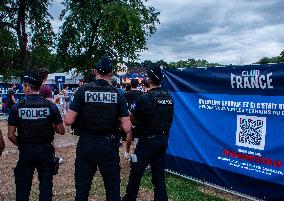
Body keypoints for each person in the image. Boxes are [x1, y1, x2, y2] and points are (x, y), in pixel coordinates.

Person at [64, 56, 132, 201]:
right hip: (108, 146)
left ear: (95, 71)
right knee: (112, 190)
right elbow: (127, 128)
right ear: (111, 72)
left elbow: (68, 121)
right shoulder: (117, 94)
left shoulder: (82, 91)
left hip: (86, 144)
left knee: (82, 190)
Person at [7, 71, 65, 201]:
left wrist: (21, 144)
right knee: (45, 188)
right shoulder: (50, 106)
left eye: (23, 85)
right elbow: (61, 130)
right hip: (45, 151)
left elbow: (10, 135)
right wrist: (50, 125)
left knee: (22, 189)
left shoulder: (17, 107)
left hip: (26, 151)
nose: (22, 88)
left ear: (28, 87)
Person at [122, 64, 174, 201]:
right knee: (158, 175)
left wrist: (124, 111)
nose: (144, 78)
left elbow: (132, 118)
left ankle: (129, 198)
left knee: (136, 172)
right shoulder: (168, 97)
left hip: (147, 142)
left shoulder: (145, 98)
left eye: (146, 76)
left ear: (150, 79)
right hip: (163, 140)